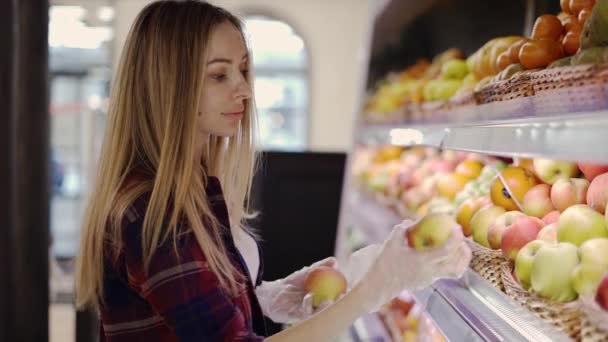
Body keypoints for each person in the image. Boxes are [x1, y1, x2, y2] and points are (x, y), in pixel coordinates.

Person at [74, 1, 471, 341]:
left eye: (243, 70)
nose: (244, 89)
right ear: (167, 84)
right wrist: (373, 290)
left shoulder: (194, 188)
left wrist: (267, 296)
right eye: (219, 74)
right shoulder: (153, 213)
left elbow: (187, 316)